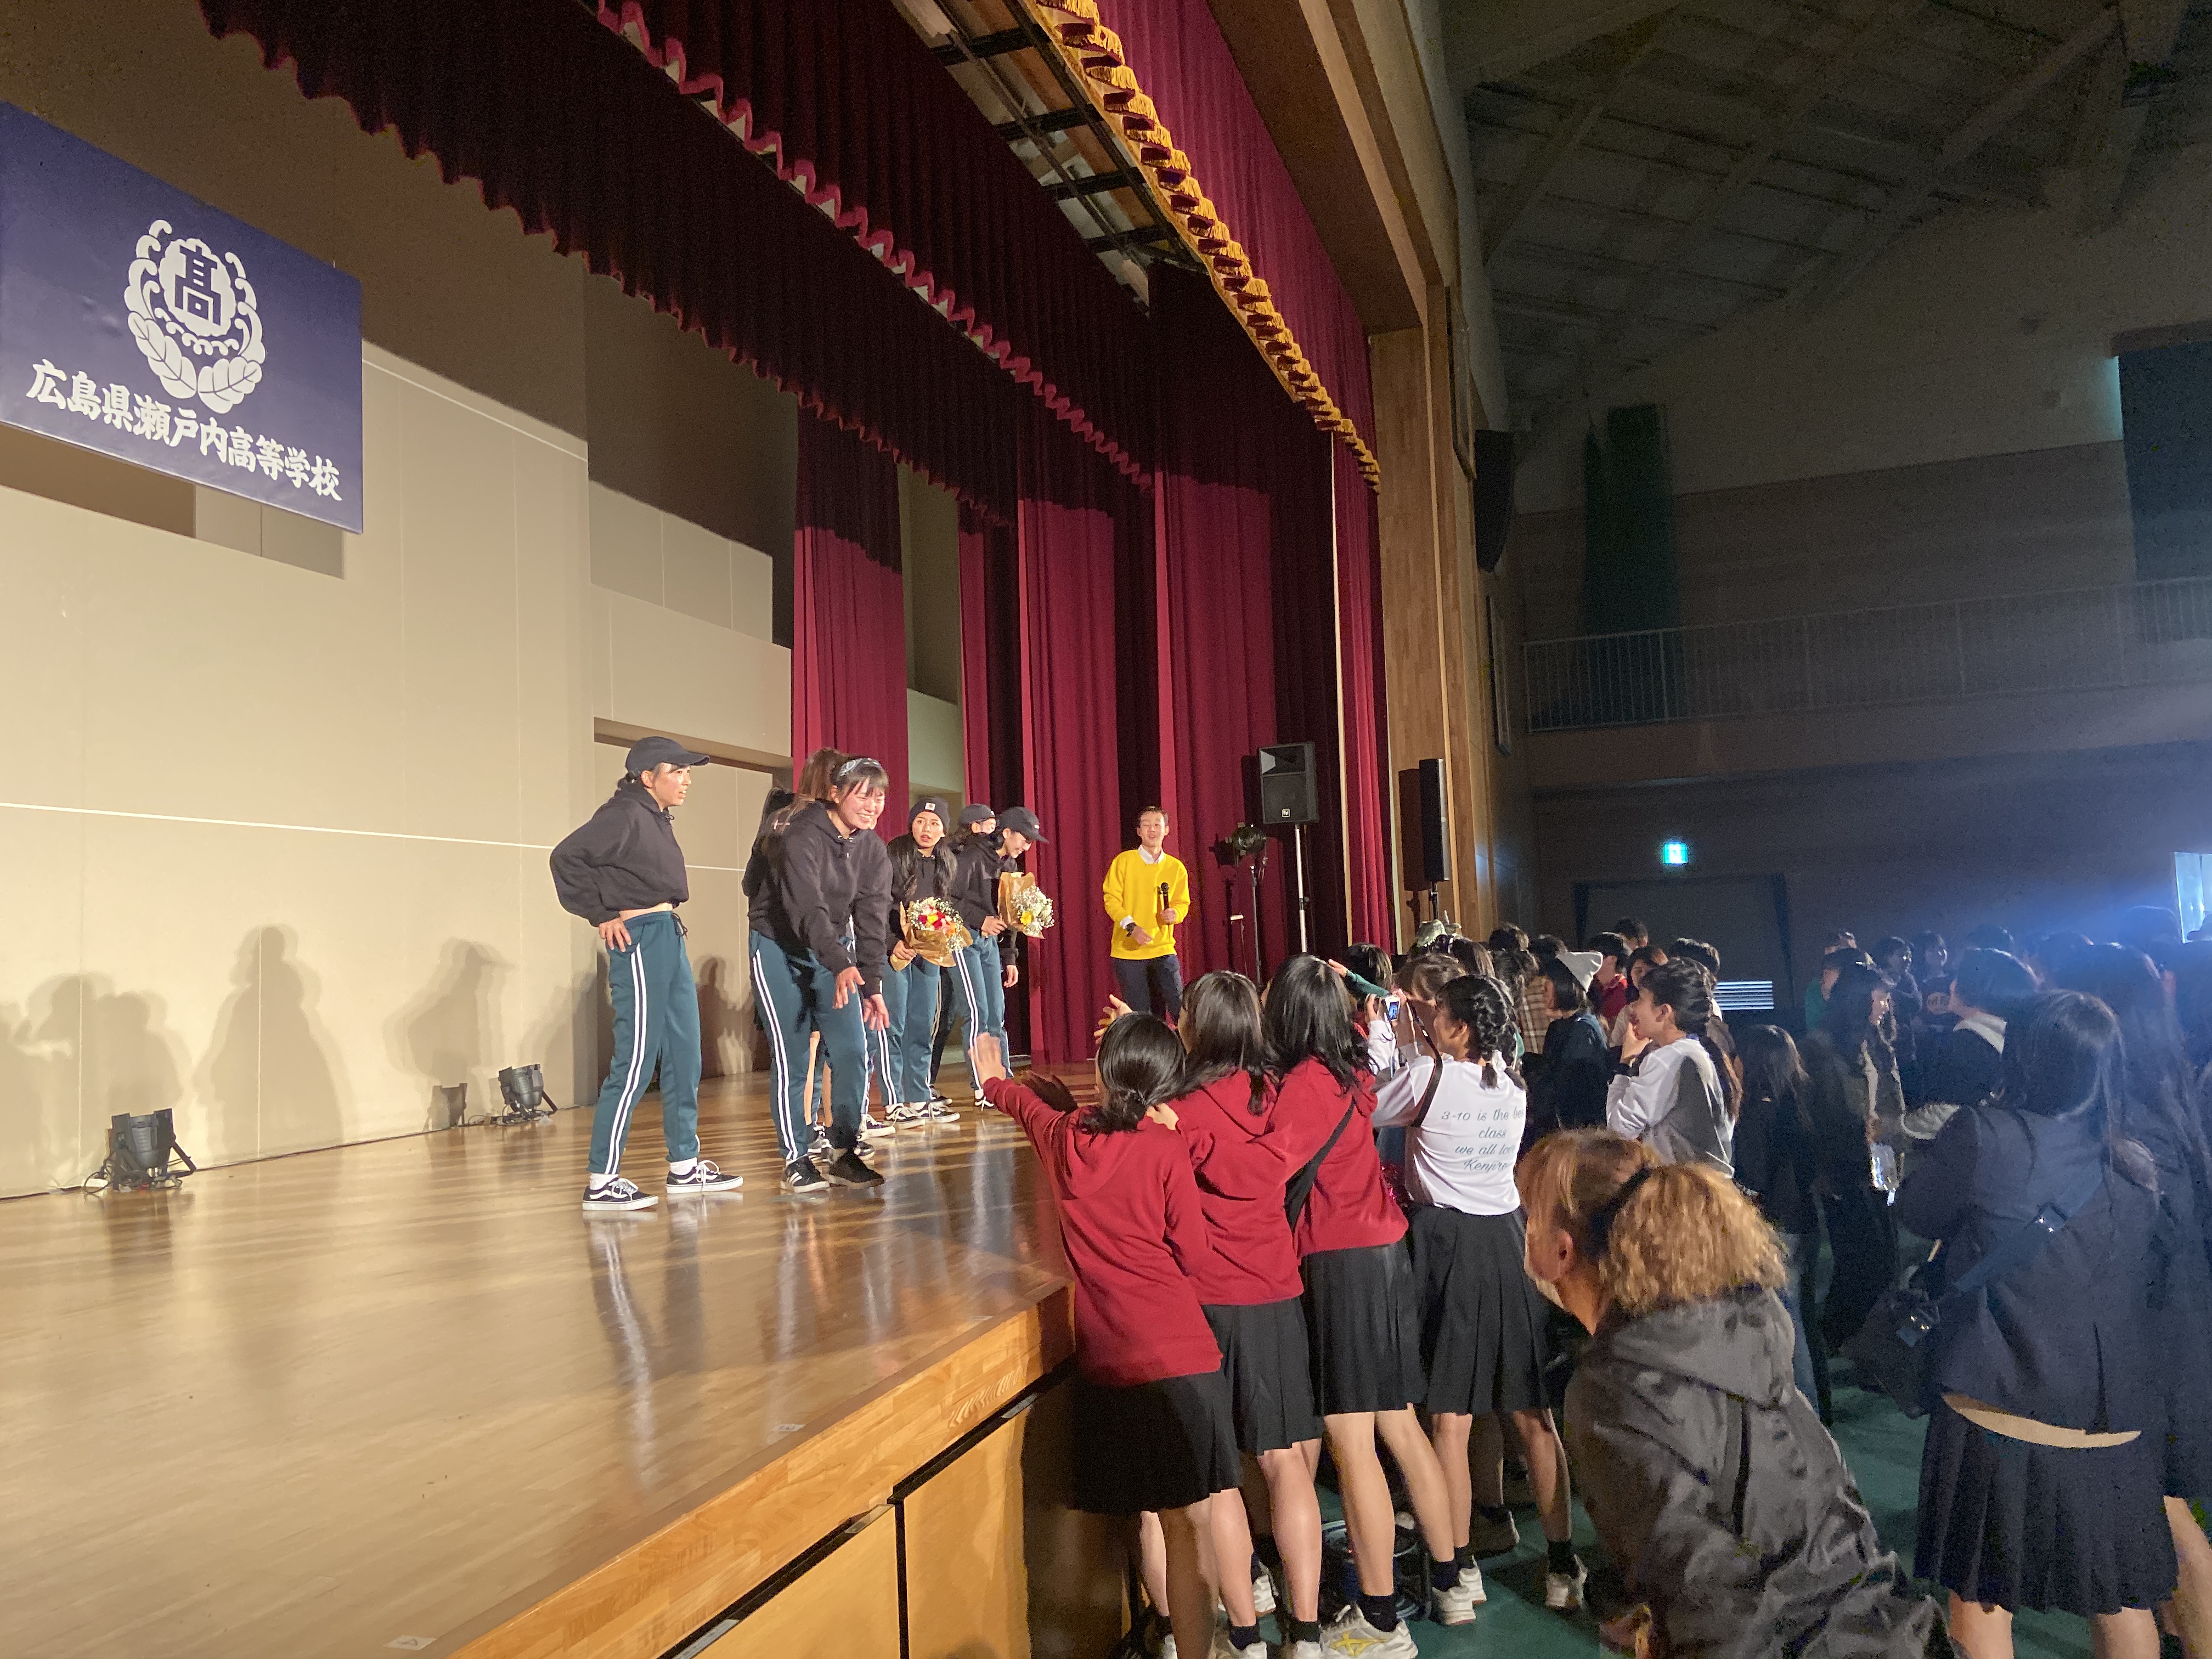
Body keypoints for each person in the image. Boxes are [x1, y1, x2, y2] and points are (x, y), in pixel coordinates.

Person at [1517, 1129, 1943, 1656]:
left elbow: (1717, 1613)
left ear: (1561, 1250)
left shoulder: (1614, 1390)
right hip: (1888, 1630)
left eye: (1528, 1218)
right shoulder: (1743, 1325)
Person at [1900, 992, 2174, 1658]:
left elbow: (1916, 1212)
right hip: (2112, 1416)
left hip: (1997, 1402)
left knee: (1981, 1598)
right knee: (2120, 1598)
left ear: (2019, 1055)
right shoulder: (2137, 1161)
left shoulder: (1983, 1134)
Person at [968, 1022, 1238, 1659]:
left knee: (1145, 1514)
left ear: (1103, 1072)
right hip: (1181, 1359)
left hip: (1112, 1365)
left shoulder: (1065, 1138)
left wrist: (994, 1079)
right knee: (1190, 1526)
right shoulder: (1165, 1148)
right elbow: (1194, 1256)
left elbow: (1023, 1106)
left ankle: (1164, 1633)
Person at [1263, 956, 1461, 1657]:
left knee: (1351, 1442)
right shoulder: (1352, 1072)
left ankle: (1379, 1618)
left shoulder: (1303, 1084)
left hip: (1339, 1262)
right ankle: (1452, 1578)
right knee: (1399, 1425)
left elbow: (1267, 1171)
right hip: (1383, 1254)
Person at [1376, 975, 1585, 1617]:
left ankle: (1458, 1567)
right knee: (1530, 1413)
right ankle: (1562, 1562)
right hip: (1509, 1243)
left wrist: (1397, 1035)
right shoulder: (1512, 1083)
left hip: (1450, 1246)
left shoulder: (1428, 1078)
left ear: (1460, 1027)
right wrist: (1425, 1029)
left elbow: (1371, 1106)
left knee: (1451, 1417)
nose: (1431, 1017)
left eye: (1441, 1012)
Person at [1150, 971, 1324, 1659]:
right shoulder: (1274, 1096)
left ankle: (1247, 1637)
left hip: (1209, 1301)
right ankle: (1306, 1633)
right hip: (1277, 1293)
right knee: (1285, 1462)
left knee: (1223, 1473)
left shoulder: (1179, 1112)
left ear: (1195, 1028)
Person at [2051, 946, 2212, 1650]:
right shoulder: (2169, 1089)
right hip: (2177, 1336)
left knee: (2158, 1535)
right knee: (2162, 1527)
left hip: (2141, 1352)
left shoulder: (2124, 1122)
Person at [551, 735, 742, 1212]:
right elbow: (566, 857)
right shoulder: (624, 814)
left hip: (667, 933)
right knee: (636, 1059)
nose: (686, 780)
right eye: (676, 771)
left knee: (684, 1053)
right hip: (640, 938)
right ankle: (602, 1179)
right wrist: (601, 914)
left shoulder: (654, 816)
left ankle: (684, 1165)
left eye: (687, 772)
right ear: (647, 776)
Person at [746, 754, 893, 1193]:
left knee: (852, 1052)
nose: (872, 806)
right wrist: (841, 962)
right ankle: (795, 1158)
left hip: (834, 955)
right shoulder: (801, 834)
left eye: (879, 797)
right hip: (778, 946)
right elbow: (807, 909)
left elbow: (872, 919)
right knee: (793, 1057)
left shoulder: (872, 849)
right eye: (863, 796)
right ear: (835, 793)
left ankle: (844, 1151)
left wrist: (872, 984)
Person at [1803, 961, 1902, 1353]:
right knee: (1859, 1256)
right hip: (1844, 1166)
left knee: (1883, 1254)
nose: (1886, 1006)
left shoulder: (1875, 1041)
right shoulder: (1820, 1048)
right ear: (1860, 1000)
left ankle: (1857, 1336)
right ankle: (1844, 1336)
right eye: (1881, 998)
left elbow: (1889, 1102)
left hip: (1880, 1158)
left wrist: (1890, 1137)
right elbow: (1819, 1116)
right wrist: (1825, 1170)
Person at [1732, 1025, 1823, 1410]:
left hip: (1774, 1228)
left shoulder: (1758, 1114)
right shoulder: (1799, 1105)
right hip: (1803, 1220)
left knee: (1786, 1320)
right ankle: (1818, 1405)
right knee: (1802, 1315)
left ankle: (1805, 1412)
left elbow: (1753, 1181)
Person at [1606, 958, 1735, 1175]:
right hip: (1706, 1185)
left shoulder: (1669, 1058)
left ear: (1663, 1012)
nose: (1633, 1008)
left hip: (1683, 1188)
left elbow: (1619, 1130)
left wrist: (1625, 1063)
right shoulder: (1698, 1052)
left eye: (1641, 999)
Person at [877, 798, 961, 1128]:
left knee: (923, 1024)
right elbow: (878, 905)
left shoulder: (946, 861)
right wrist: (891, 942)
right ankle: (893, 1102)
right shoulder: (895, 854)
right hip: (896, 952)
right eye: (921, 821)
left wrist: (943, 935)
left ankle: (919, 1097)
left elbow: (945, 907)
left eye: (934, 823)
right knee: (894, 1024)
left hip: (929, 953)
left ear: (944, 830)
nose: (926, 829)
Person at [1907, 949, 2035, 1147]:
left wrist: (1895, 1129)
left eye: (1958, 979)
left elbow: (1942, 1114)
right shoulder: (2017, 1039)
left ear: (1974, 990)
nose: (1951, 985)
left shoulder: (1965, 1045)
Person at [943, 805, 1012, 1095]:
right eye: (990, 826)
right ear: (975, 828)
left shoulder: (1003, 862)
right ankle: (983, 1084)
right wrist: (980, 919)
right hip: (964, 937)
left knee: (996, 1011)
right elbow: (948, 898)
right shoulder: (967, 857)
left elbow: (1008, 910)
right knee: (977, 1012)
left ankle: (1003, 1079)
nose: (995, 832)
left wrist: (1010, 956)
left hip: (989, 941)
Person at [1103, 807, 1192, 1020]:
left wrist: (1175, 914)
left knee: (1179, 1008)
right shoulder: (1124, 861)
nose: (1152, 830)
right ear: (1139, 831)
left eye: (1157, 825)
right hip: (1129, 952)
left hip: (1163, 948)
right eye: (1146, 825)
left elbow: (1183, 903)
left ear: (1167, 830)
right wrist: (1131, 927)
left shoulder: (1176, 868)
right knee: (1141, 1016)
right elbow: (1111, 899)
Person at [1527, 952, 1608, 1139]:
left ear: (1565, 986)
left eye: (1549, 983)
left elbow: (1568, 1089)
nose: (1543, 990)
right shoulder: (1562, 1026)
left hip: (1580, 1134)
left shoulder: (1583, 1031)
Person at [1606, 943, 1668, 1046]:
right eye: (1638, 971)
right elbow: (1615, 1046)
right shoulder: (1627, 1012)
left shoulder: (1672, 1009)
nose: (1644, 975)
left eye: (1650, 971)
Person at [1586, 931, 1633, 1029]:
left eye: (1595, 956)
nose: (1589, 960)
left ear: (1613, 959)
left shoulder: (1622, 990)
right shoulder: (1590, 984)